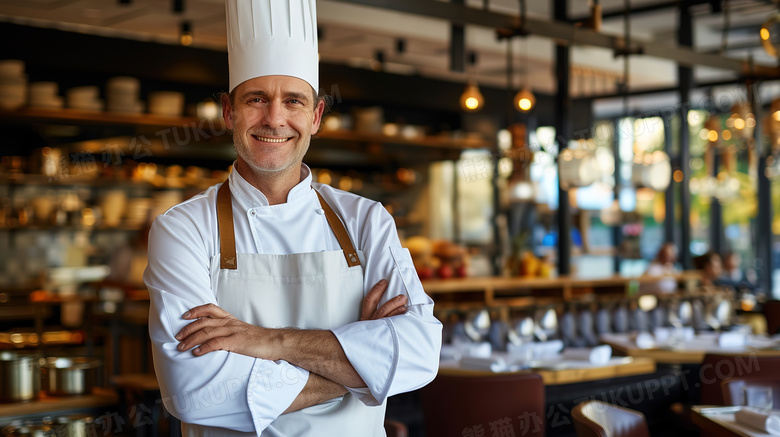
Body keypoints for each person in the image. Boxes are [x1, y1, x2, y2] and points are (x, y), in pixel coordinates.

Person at [144, 1, 442, 435]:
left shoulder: (366, 220)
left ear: (316, 116)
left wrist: (266, 340)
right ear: (229, 111)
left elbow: (418, 355)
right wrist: (362, 361)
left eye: (294, 101)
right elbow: (193, 391)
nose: (275, 119)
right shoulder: (184, 228)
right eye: (257, 99)